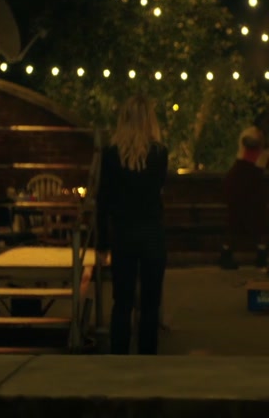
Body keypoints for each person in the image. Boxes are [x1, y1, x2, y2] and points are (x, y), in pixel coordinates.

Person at [96, 95, 168, 355]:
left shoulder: (110, 154)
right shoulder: (159, 154)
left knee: (122, 302)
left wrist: (102, 243)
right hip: (151, 232)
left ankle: (119, 357)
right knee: (150, 304)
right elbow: (159, 192)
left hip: (123, 233)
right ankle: (147, 358)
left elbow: (103, 200)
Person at [220, 112, 269, 269]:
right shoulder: (252, 133)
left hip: (255, 179)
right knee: (235, 217)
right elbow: (248, 142)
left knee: (258, 216)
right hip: (241, 177)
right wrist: (261, 141)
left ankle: (261, 253)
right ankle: (226, 253)